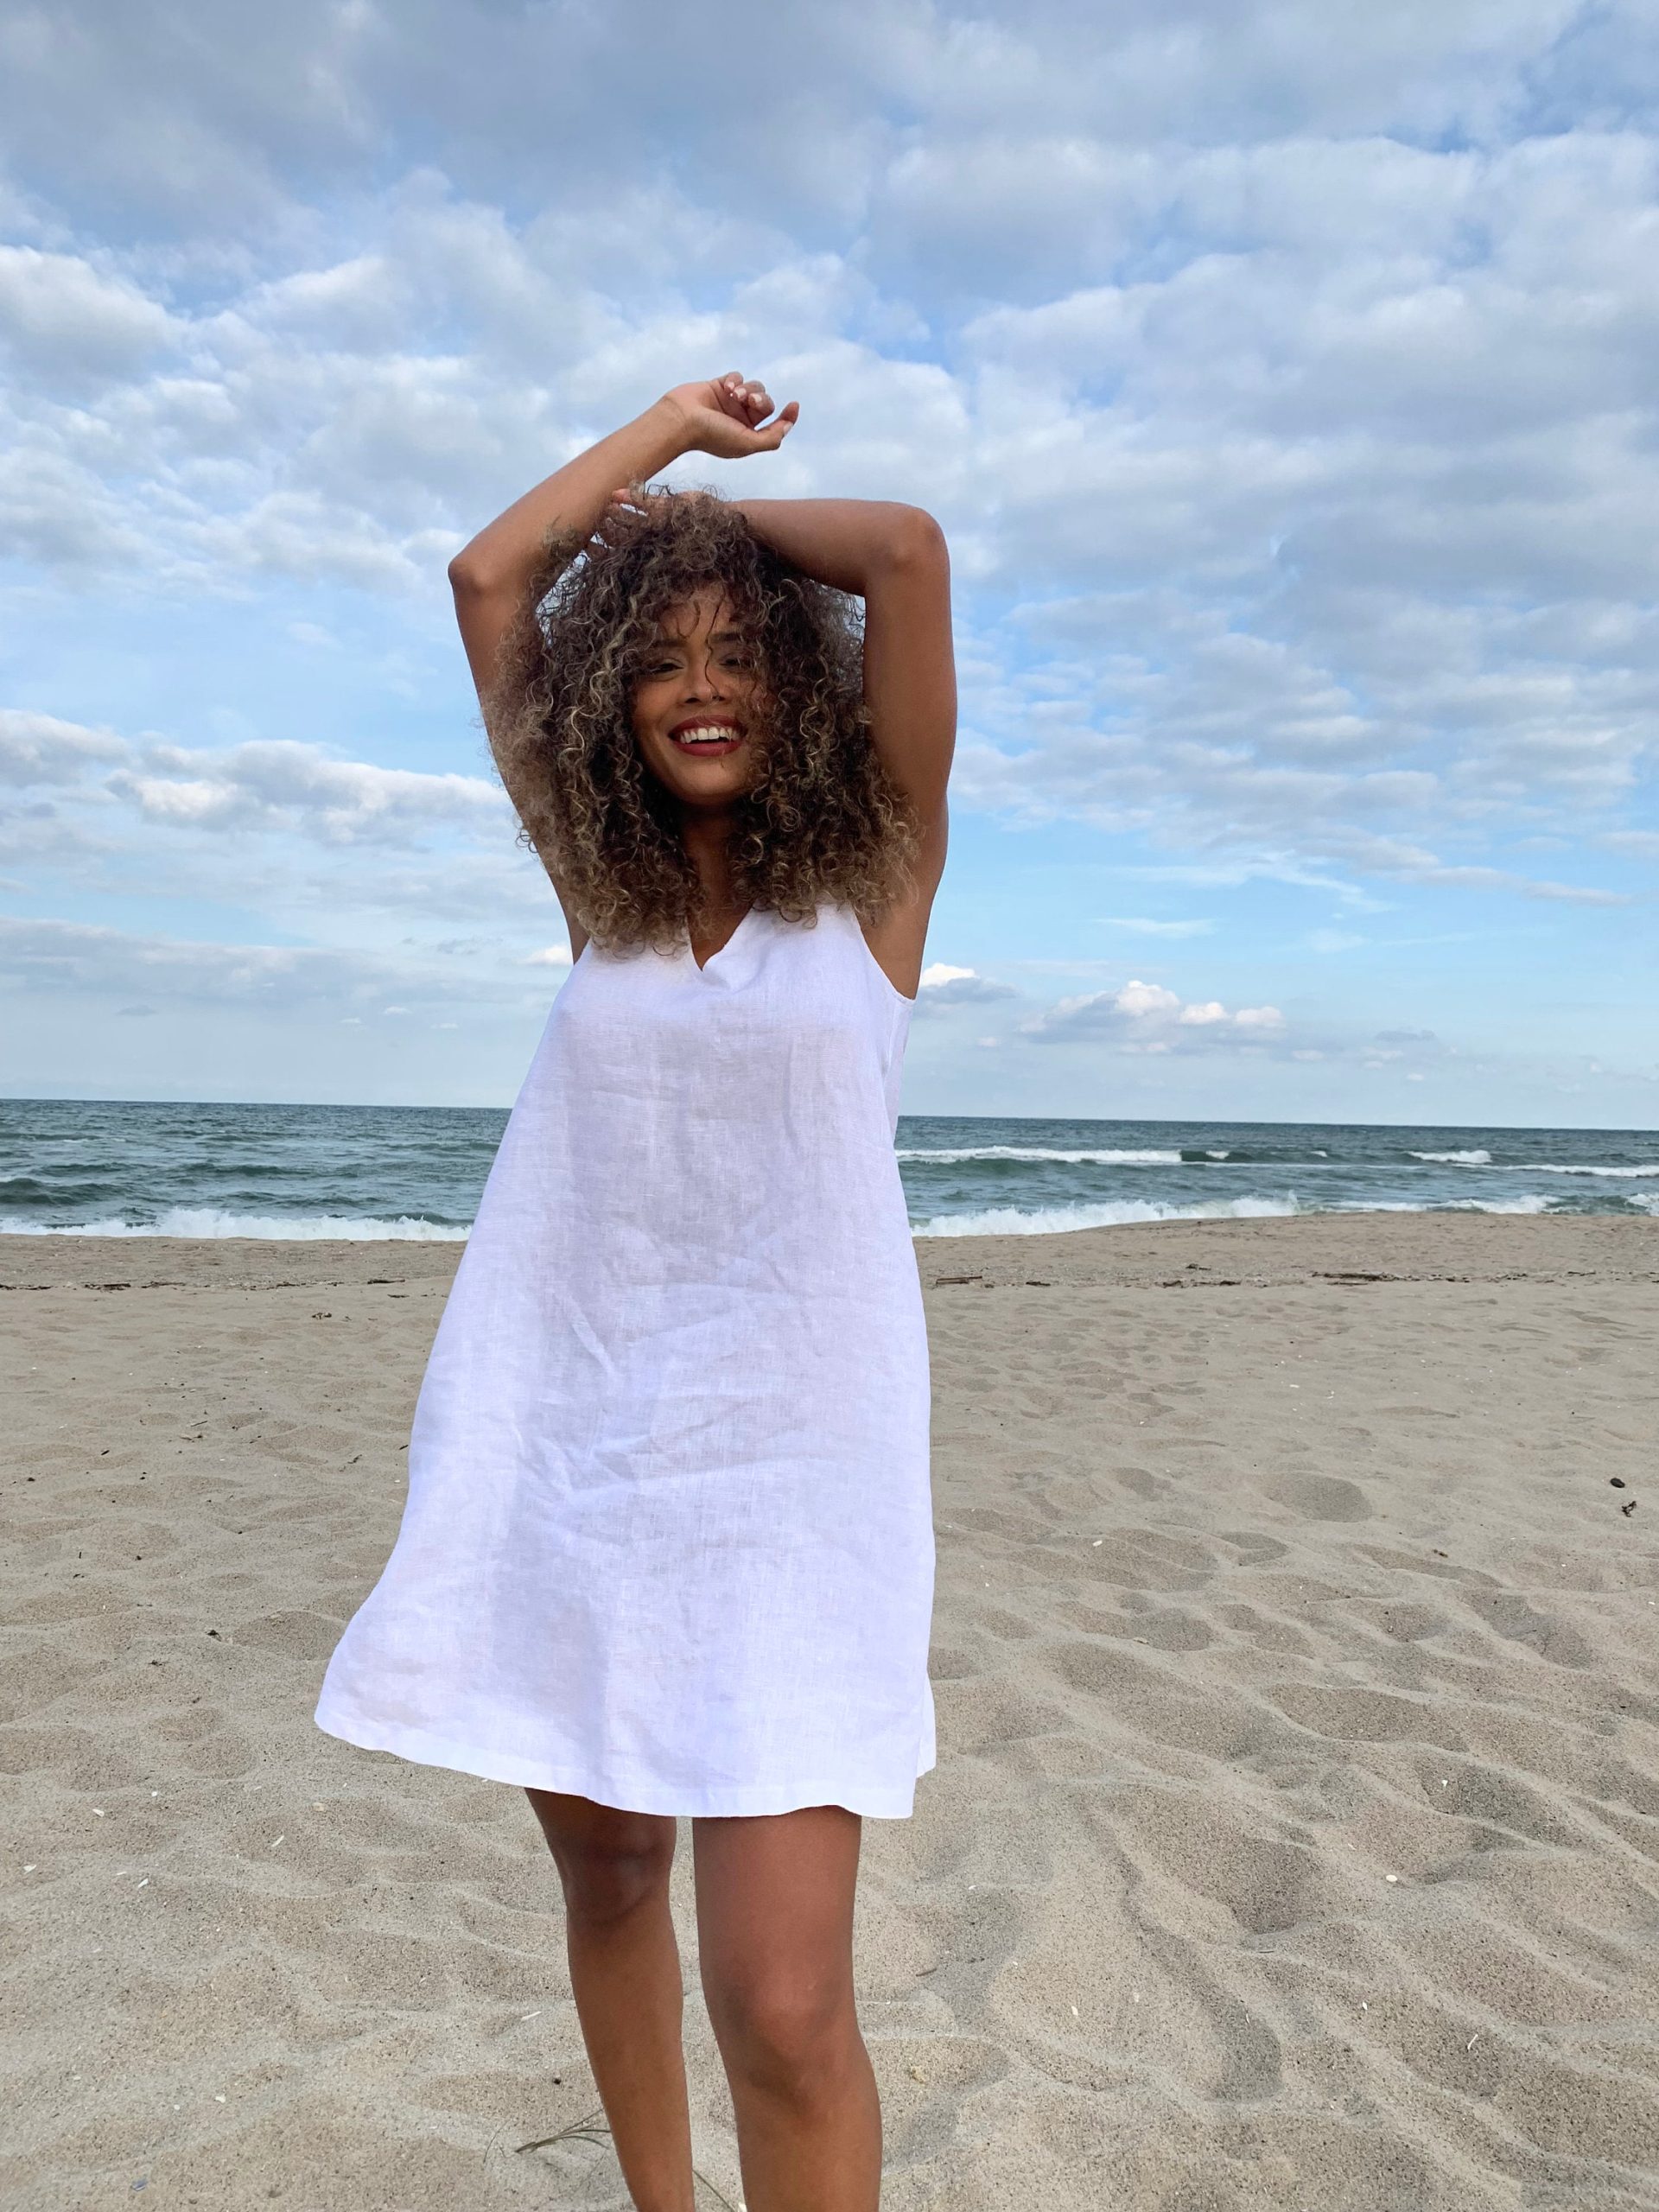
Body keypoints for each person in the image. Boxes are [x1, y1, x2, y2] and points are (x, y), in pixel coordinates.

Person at [314, 370, 956, 2211]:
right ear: (614, 692)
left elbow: (905, 553)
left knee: (784, 2002)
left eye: (738, 652)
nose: (699, 685)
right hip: (573, 1449)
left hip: (797, 1482)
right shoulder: (596, 889)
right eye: (659, 656)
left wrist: (692, 531)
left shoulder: (879, 888)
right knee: (607, 1876)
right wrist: (667, 427)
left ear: (799, 685)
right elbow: (484, 576)